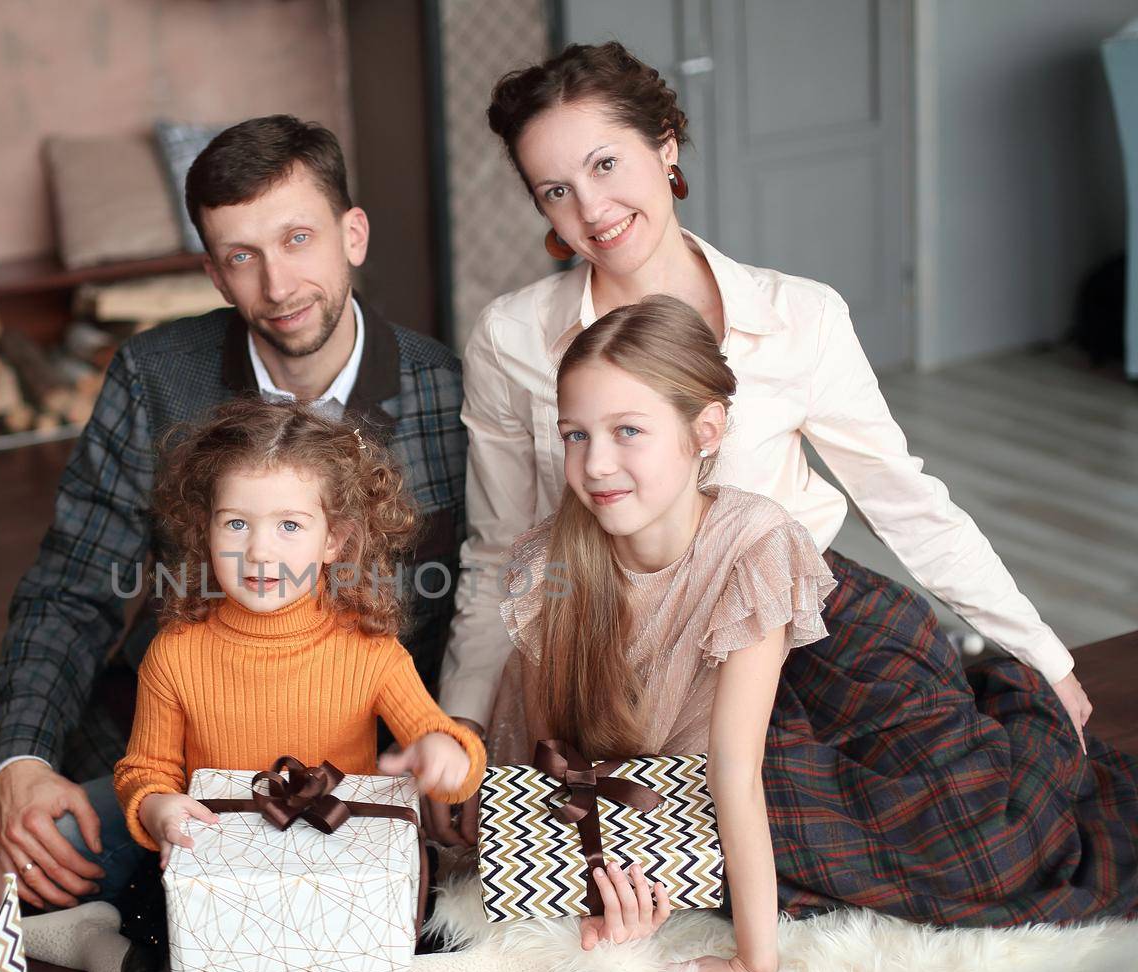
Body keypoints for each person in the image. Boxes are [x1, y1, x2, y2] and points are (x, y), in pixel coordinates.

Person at [269, 297, 1138, 972]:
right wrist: (503, 807)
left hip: (829, 665)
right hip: (706, 739)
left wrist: (754, 963)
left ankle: (1005, 695)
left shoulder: (755, 542)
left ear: (706, 433)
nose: (597, 463)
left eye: (627, 432)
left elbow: (733, 766)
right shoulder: (554, 564)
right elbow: (554, 750)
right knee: (790, 840)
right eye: (576, 435)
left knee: (994, 849)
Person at [429, 41, 1093, 847]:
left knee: (973, 825)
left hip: (791, 639)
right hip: (619, 659)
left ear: (665, 145)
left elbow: (906, 502)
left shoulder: (800, 317)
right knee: (708, 849)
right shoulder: (515, 337)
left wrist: (1044, 655)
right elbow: (500, 547)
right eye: (557, 191)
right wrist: (459, 728)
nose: (591, 211)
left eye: (607, 165)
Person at [0, 116, 468, 909]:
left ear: (353, 234)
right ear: (214, 273)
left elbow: (483, 606)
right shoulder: (155, 378)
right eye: (242, 257)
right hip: (176, 753)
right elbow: (72, 589)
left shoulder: (445, 390)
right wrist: (23, 762)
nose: (277, 287)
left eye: (298, 239)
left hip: (361, 784)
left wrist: (446, 749)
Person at [22, 400, 485, 972]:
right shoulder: (177, 652)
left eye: (290, 525)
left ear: (336, 539)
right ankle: (92, 937)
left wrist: (442, 754)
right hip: (219, 880)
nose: (261, 550)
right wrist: (155, 809)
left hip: (335, 878)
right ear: (203, 529)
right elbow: (145, 770)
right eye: (236, 523)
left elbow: (451, 751)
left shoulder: (372, 653)